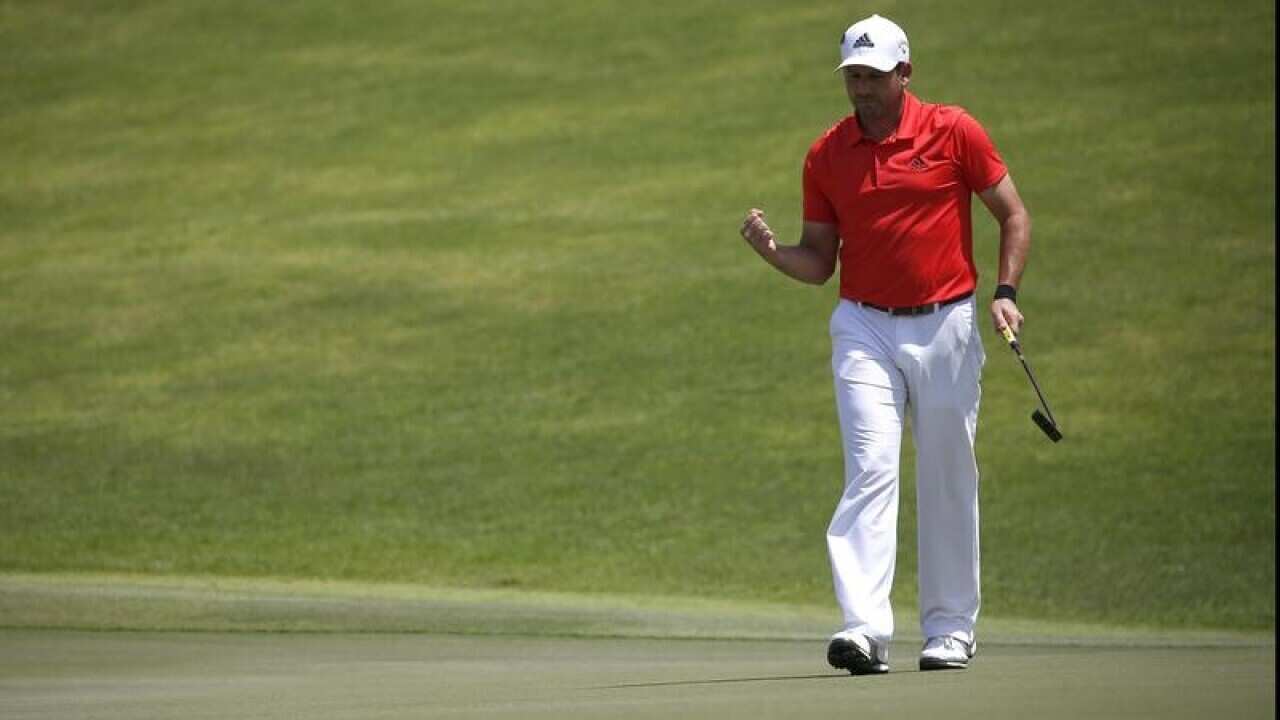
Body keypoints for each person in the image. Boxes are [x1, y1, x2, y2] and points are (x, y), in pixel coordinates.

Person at [738, 13, 1031, 674]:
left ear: (905, 73)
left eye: (872, 76)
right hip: (863, 325)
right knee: (871, 467)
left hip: (947, 321)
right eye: (852, 77)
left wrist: (1006, 292)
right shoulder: (827, 153)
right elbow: (819, 261)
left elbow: (1013, 213)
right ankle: (864, 628)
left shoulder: (955, 132)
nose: (861, 89)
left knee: (947, 470)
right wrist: (773, 253)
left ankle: (951, 628)